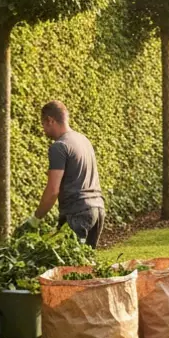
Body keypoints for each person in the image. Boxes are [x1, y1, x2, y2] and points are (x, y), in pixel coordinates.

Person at [33, 100, 105, 247]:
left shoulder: (59, 147)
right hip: (97, 209)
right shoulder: (83, 140)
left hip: (77, 213)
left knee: (67, 266)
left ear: (50, 121)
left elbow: (53, 190)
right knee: (85, 265)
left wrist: (36, 218)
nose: (43, 130)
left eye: (43, 125)